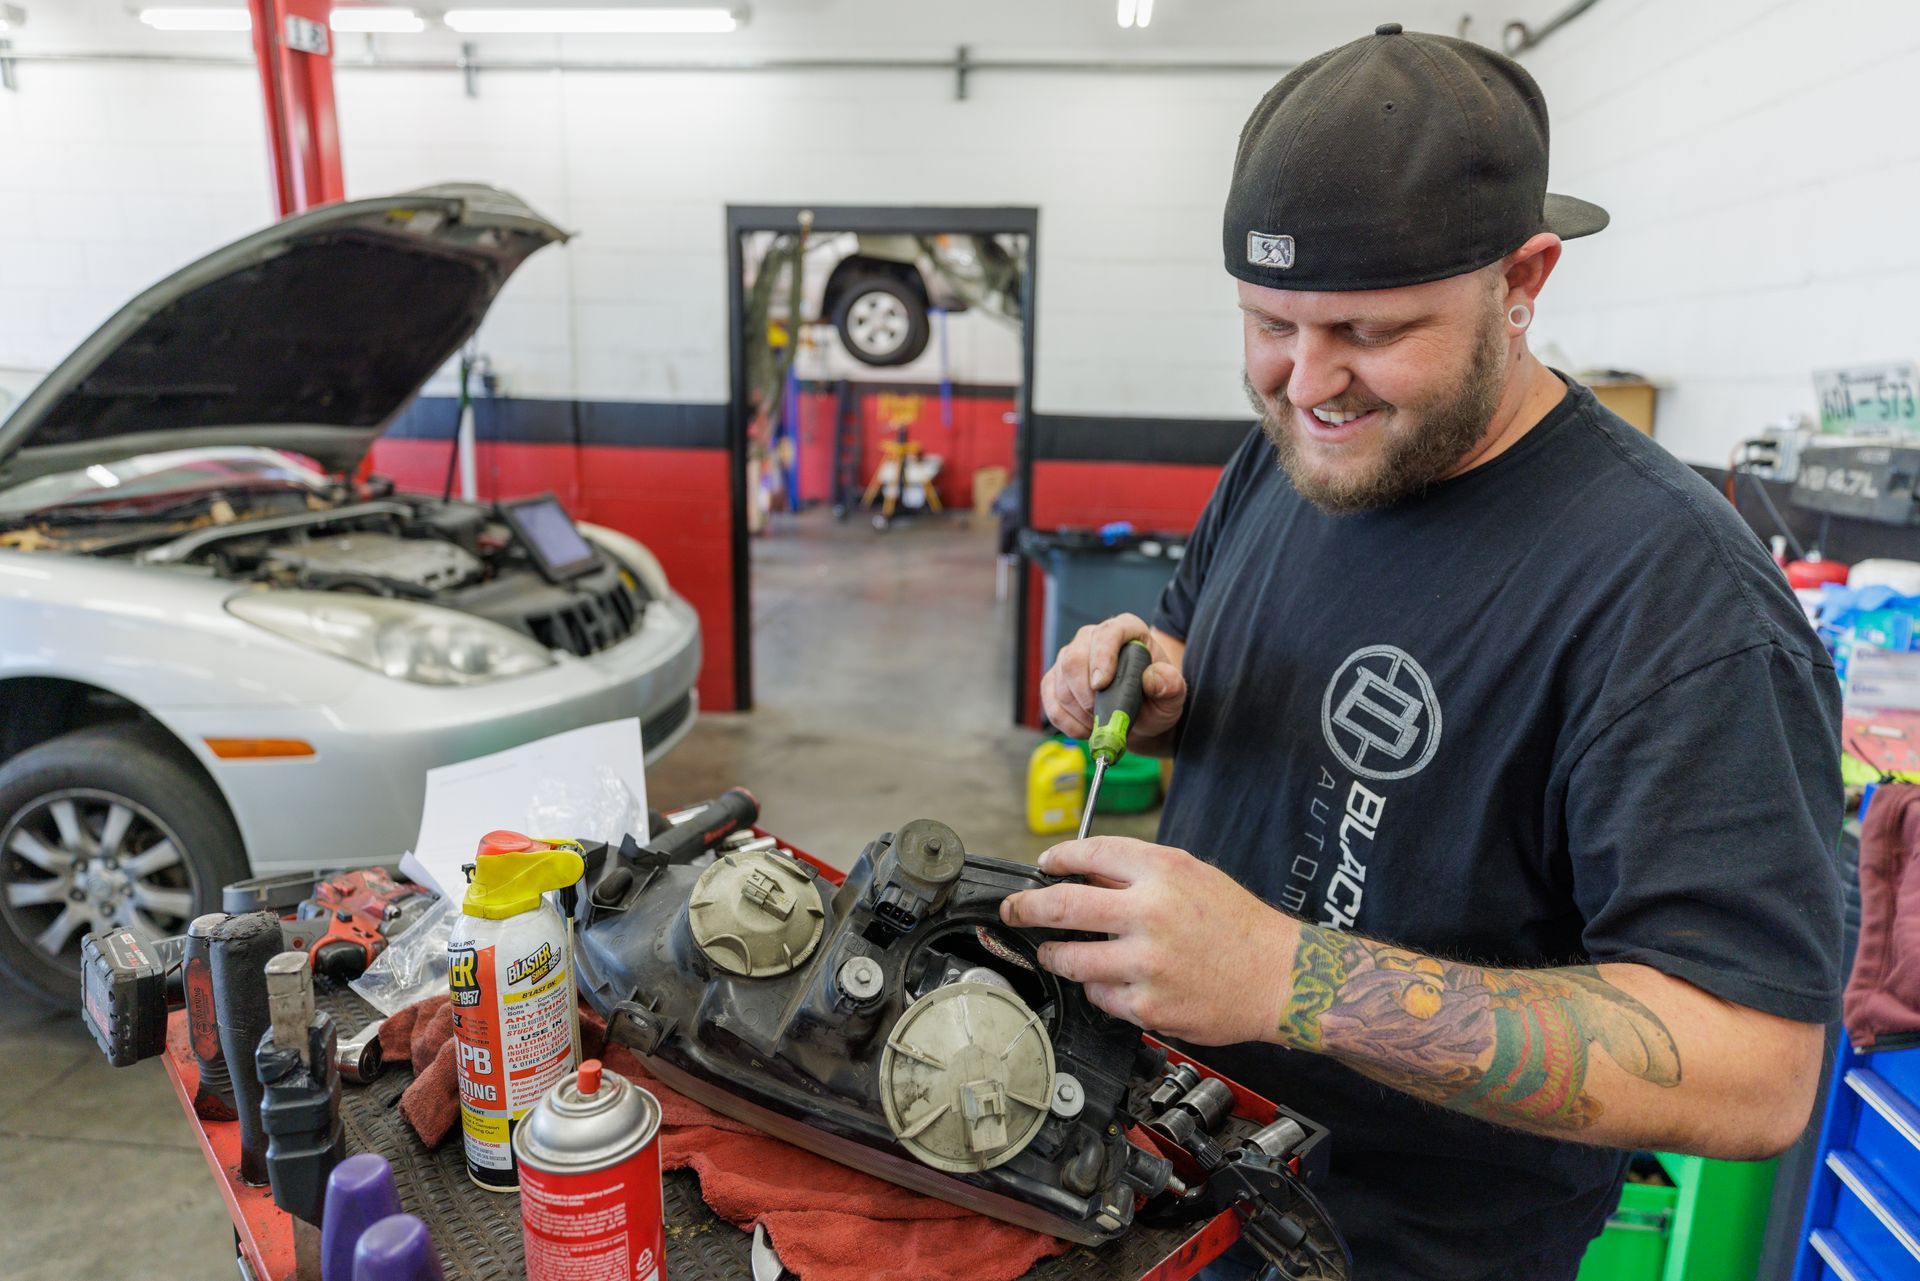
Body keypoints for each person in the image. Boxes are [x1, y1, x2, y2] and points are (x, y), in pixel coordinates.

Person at [1000, 24, 1843, 1281]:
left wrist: (1285, 976)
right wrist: (1159, 677)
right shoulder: (1292, 454)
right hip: (1157, 1180)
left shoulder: (1680, 603)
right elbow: (1210, 635)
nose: (1311, 381)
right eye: (1270, 323)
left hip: (1391, 1249)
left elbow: (1753, 1068)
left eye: (1371, 330)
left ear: (1525, 279)